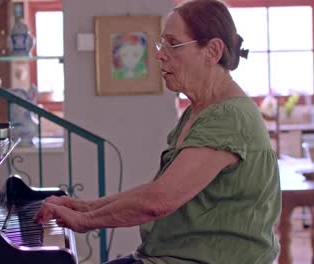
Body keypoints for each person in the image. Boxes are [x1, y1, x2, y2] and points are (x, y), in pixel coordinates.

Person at [34, 0, 281, 263]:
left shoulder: (228, 116)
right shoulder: (200, 110)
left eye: (173, 44)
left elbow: (159, 201)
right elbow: (157, 190)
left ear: (212, 51)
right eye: (162, 44)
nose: (160, 54)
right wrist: (87, 206)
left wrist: (85, 221)